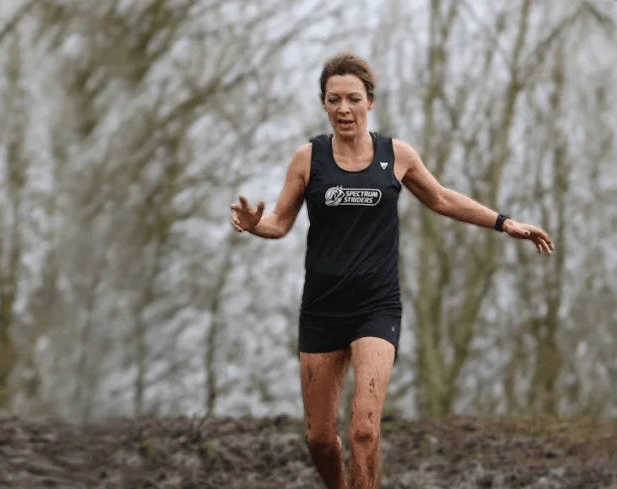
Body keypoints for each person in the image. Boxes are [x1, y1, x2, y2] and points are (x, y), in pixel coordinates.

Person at [229, 52, 553, 489]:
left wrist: (503, 221)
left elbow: (440, 197)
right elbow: (281, 222)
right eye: (334, 99)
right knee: (321, 441)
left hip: (376, 307)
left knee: (364, 429)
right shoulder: (308, 159)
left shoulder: (395, 155)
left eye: (353, 99)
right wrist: (254, 226)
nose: (344, 108)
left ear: (370, 102)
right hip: (322, 309)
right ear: (324, 104)